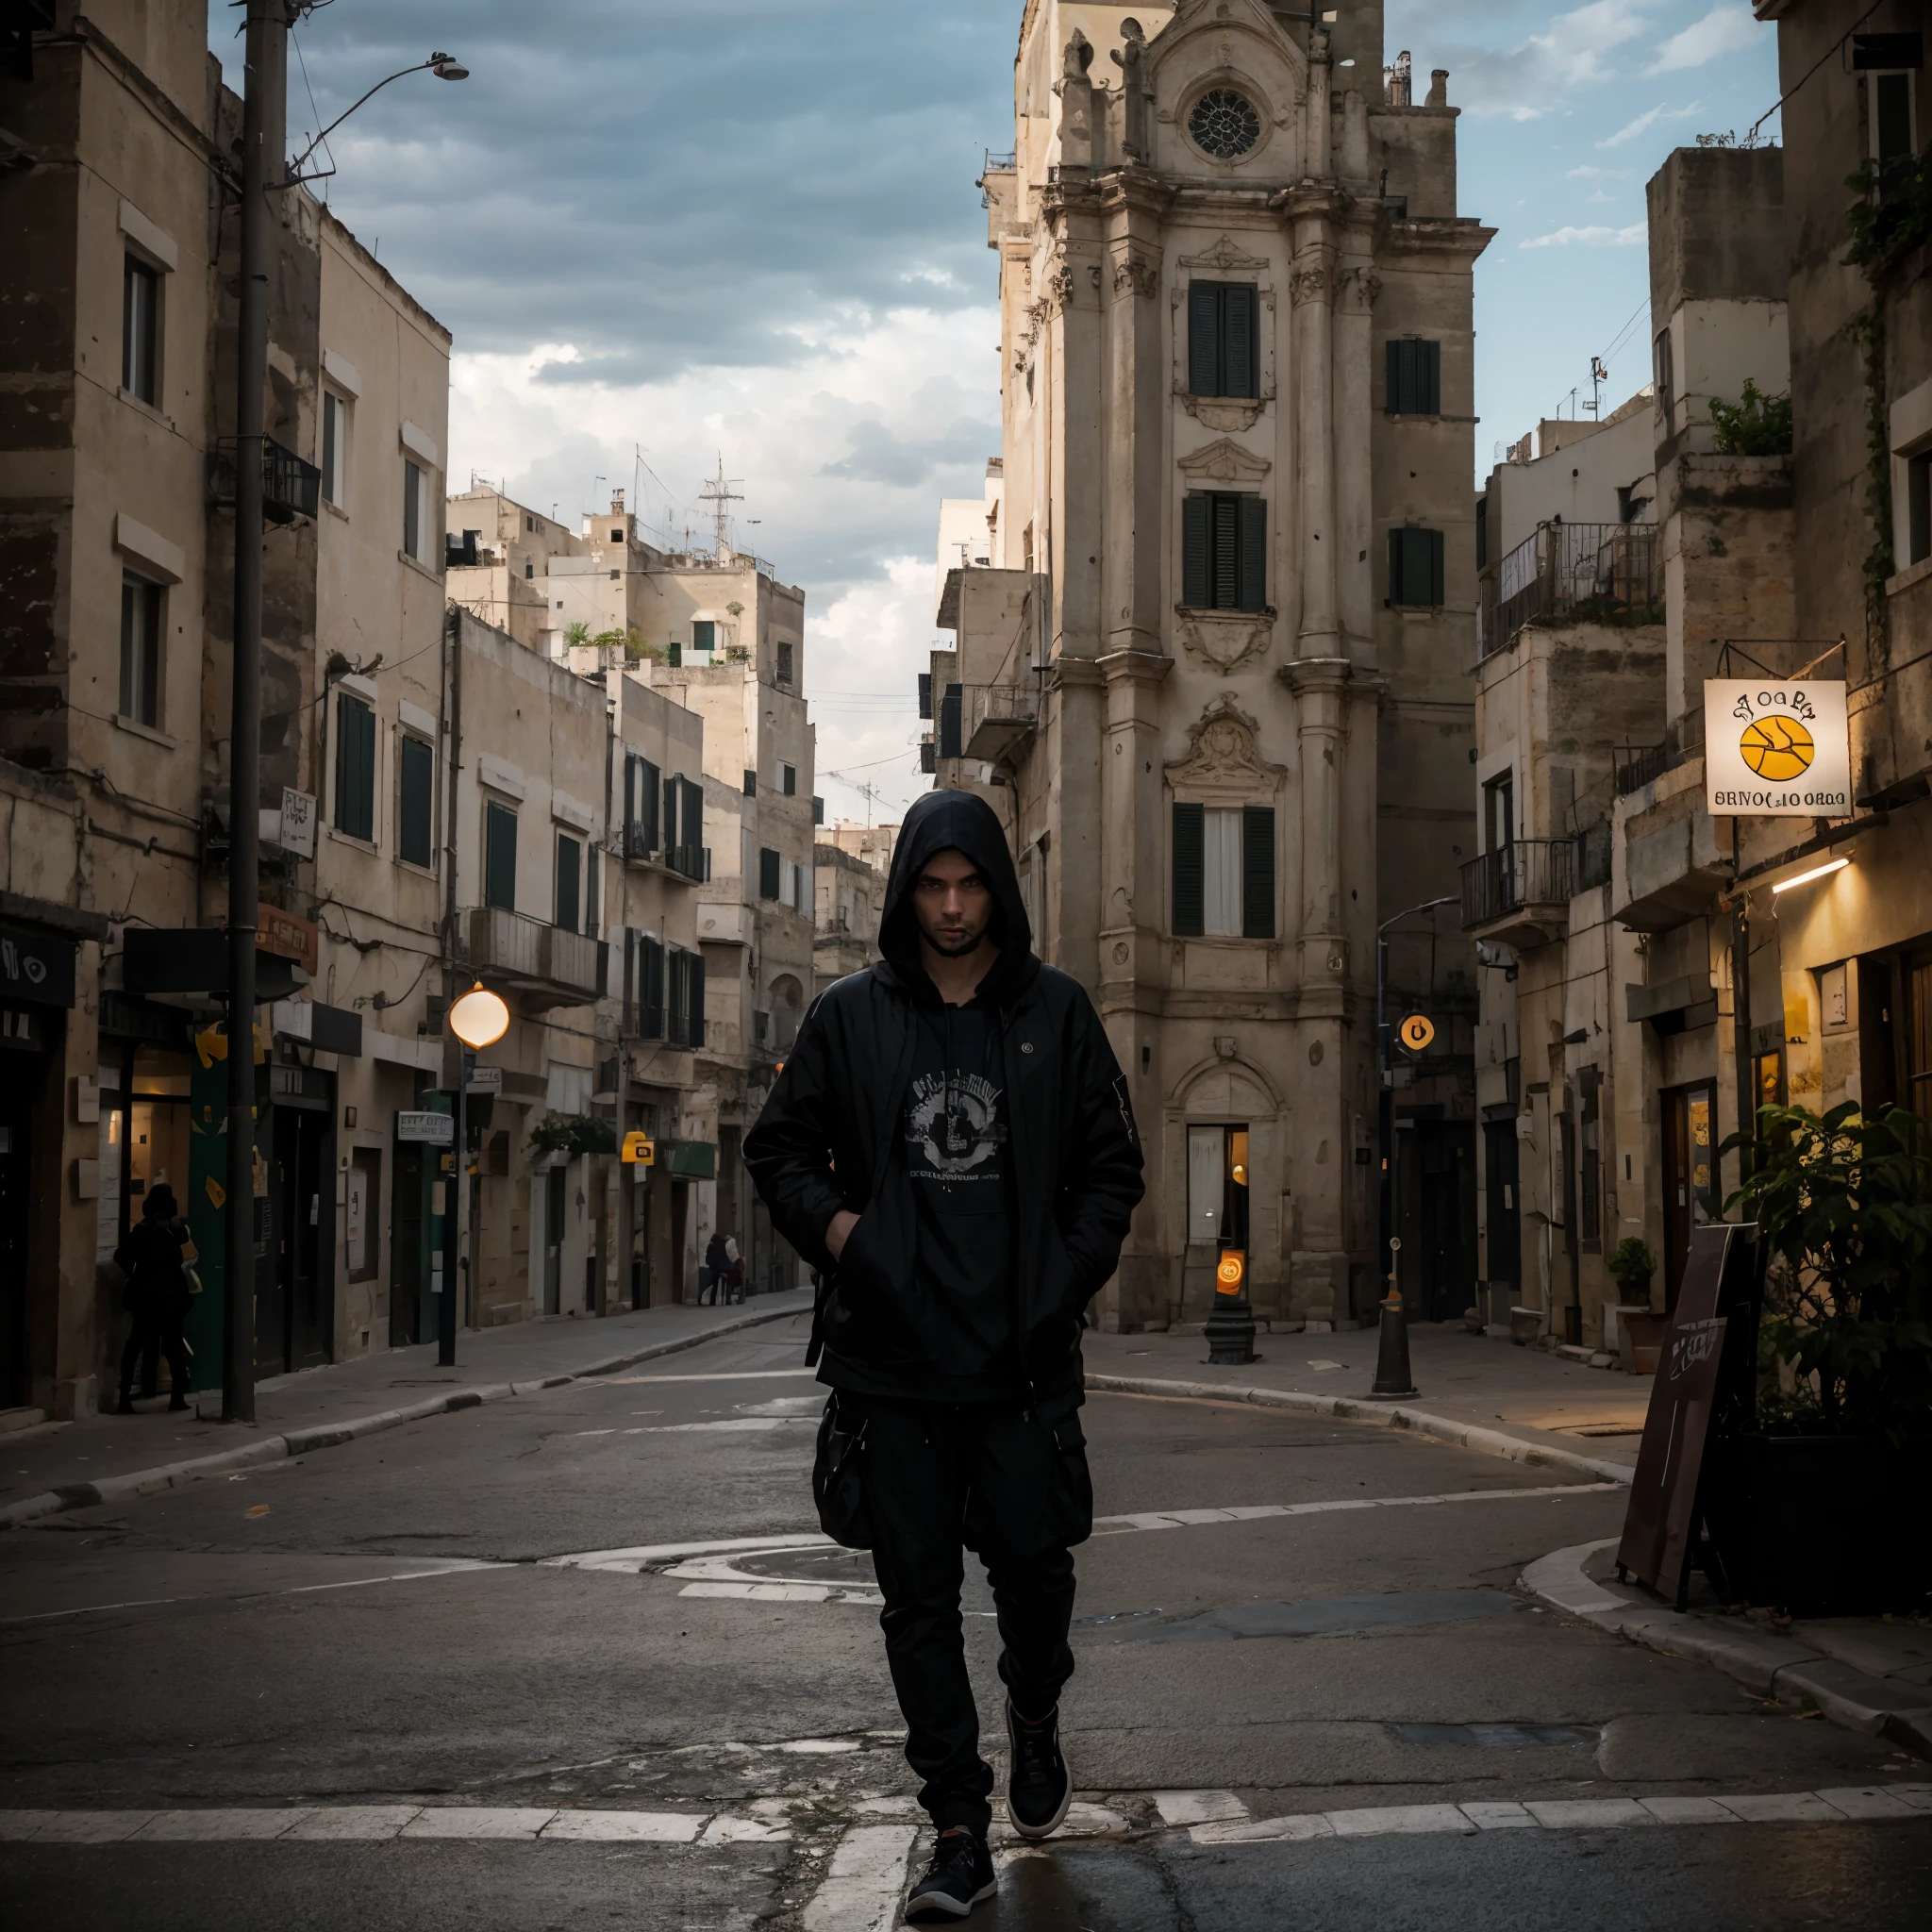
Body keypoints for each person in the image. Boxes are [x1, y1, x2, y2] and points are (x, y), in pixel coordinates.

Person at [745, 790, 1144, 1923]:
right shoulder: (848, 1015)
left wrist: (1057, 1282)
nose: (954, 906)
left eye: (970, 885)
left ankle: (1031, 1710)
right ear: (905, 892)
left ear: (997, 889)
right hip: (891, 1369)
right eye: (933, 885)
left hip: (1019, 1366)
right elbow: (777, 1150)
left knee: (1037, 1578)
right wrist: (848, 1237)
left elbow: (1112, 1170)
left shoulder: (1056, 1014)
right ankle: (957, 1825)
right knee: (914, 1607)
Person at [113, 1184, 194, 1415]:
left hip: (145, 1294)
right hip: (170, 1295)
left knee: (135, 1345)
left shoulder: (142, 1229)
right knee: (173, 1346)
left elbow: (121, 1256)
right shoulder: (174, 1229)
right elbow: (183, 1255)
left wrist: (134, 1271)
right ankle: (177, 1398)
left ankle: (124, 1398)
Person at [700, 1229, 728, 1306]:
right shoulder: (721, 1245)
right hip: (719, 1267)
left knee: (711, 1284)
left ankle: (710, 1300)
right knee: (715, 1285)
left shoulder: (712, 1245)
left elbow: (708, 1255)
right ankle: (716, 1301)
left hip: (713, 1267)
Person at [724, 1235, 744, 1304]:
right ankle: (736, 1299)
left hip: (733, 1265)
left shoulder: (726, 1246)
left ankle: (728, 1300)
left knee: (730, 1284)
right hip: (736, 1264)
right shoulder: (732, 1242)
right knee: (736, 1283)